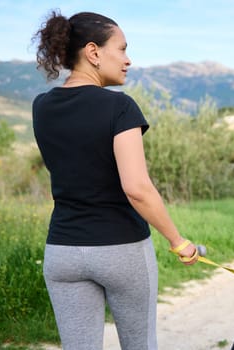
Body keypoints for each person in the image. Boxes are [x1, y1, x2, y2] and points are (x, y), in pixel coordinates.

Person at [31, 10, 198, 350]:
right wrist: (178, 241)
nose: (128, 60)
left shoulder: (42, 106)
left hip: (62, 251)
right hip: (121, 249)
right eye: (121, 49)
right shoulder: (119, 108)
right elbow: (137, 188)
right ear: (93, 52)